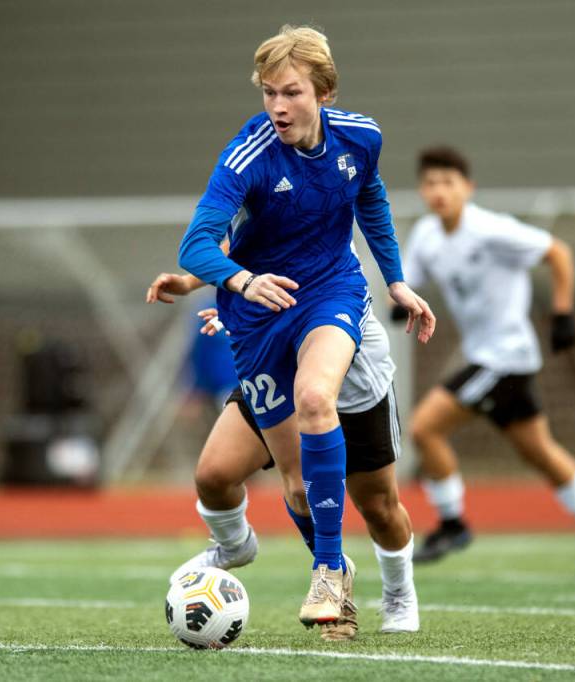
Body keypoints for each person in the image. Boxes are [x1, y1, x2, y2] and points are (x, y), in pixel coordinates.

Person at [176, 25, 434, 629]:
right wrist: (239, 282)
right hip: (262, 318)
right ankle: (312, 568)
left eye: (291, 92)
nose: (278, 107)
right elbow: (196, 243)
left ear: (325, 92)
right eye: (269, 93)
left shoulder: (360, 137)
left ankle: (372, 585)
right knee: (291, 488)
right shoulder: (248, 154)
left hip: (331, 295)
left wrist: (395, 280)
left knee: (365, 480)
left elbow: (370, 198)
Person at [148, 271, 419, 640]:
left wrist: (396, 283)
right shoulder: (246, 233)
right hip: (276, 359)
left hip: (347, 373)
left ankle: (398, 593)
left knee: (378, 506)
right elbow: (230, 249)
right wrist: (207, 290)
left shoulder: (323, 239)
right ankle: (240, 547)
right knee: (216, 474)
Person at [402, 146, 575, 576]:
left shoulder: (490, 229)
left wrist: (563, 314)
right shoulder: (427, 235)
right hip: (490, 357)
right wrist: (403, 303)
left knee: (424, 428)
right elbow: (408, 281)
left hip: (504, 357)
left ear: (468, 188)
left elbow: (558, 252)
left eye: (448, 182)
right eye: (430, 183)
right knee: (538, 451)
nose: (439, 191)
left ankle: (452, 524)